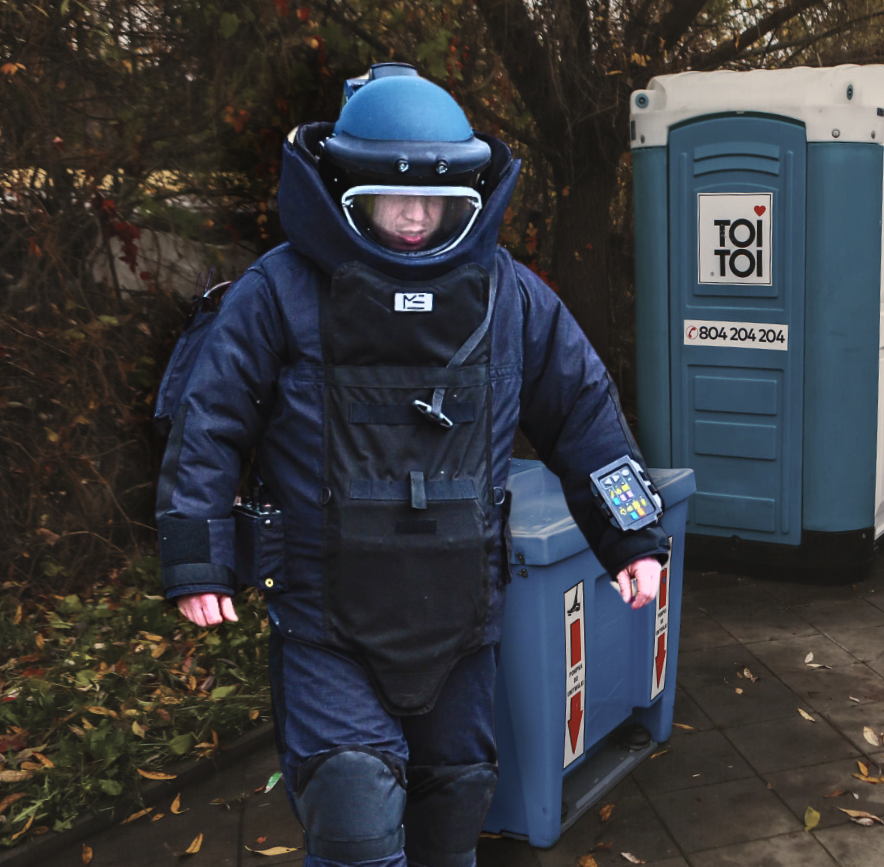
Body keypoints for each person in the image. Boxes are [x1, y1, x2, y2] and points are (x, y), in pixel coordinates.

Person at [155, 68, 669, 867]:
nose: (412, 219)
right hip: (328, 619)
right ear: (344, 189)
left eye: (435, 200)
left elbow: (583, 414)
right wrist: (198, 557)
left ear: (466, 193)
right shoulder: (278, 293)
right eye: (391, 199)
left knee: (455, 802)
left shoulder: (512, 298)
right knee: (354, 808)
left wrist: (634, 537)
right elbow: (209, 423)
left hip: (460, 619)